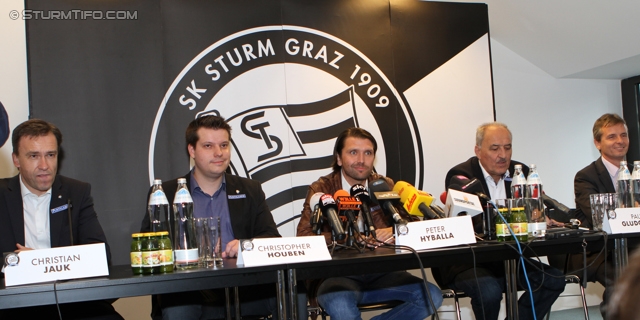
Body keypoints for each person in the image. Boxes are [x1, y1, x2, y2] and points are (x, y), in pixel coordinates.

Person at [140, 115, 282, 320]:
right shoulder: (165, 193)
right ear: (192, 150)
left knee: (292, 291)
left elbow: (271, 237)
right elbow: (150, 244)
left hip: (245, 288)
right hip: (189, 290)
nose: (219, 153)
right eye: (208, 146)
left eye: (224, 145)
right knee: (179, 308)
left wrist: (245, 245)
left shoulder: (250, 189)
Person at [296, 127, 443, 320]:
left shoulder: (383, 185)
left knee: (432, 296)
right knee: (342, 309)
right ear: (339, 158)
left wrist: (394, 231)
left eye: (368, 153)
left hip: (381, 273)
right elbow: (305, 236)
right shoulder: (322, 188)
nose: (361, 160)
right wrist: (354, 239)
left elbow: (412, 224)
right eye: (353, 152)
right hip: (337, 276)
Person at [435, 122, 565, 320]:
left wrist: (541, 217)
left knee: (553, 279)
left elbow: (536, 211)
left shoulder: (521, 174)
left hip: (508, 258)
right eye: (495, 148)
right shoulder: (461, 176)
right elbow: (477, 224)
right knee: (489, 293)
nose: (503, 155)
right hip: (467, 262)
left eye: (507, 147)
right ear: (478, 151)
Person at [0, 119, 122, 319]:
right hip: (16, 304)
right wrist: (19, 266)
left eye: (50, 155)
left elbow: (100, 254)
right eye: (33, 156)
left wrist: (37, 262)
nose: (44, 165)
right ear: (16, 160)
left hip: (71, 301)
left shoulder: (76, 192)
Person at [572, 113, 625, 316]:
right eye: (612, 136)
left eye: (623, 135)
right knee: (623, 278)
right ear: (597, 143)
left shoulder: (635, 173)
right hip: (600, 251)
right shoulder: (586, 176)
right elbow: (600, 216)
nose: (620, 141)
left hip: (632, 246)